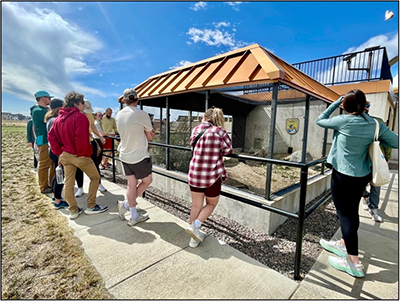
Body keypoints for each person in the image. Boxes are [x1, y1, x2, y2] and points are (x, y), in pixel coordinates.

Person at [316, 89, 398, 278]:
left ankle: (353, 262)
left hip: (342, 175)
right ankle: (344, 243)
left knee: (345, 215)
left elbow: (320, 120)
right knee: (352, 212)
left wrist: (337, 102)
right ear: (363, 105)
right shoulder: (374, 124)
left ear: (346, 105)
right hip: (362, 176)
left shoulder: (343, 121)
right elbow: (395, 142)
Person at [48, 91, 108, 220]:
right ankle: (91, 205)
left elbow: (51, 137)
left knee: (68, 183)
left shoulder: (58, 119)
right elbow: (81, 138)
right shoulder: (80, 117)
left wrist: (59, 152)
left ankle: (73, 210)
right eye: (82, 103)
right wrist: (84, 154)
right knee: (95, 177)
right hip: (79, 155)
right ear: (76, 104)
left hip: (65, 155)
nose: (83, 106)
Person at [185, 107, 233, 248]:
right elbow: (228, 150)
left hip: (195, 173)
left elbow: (191, 144)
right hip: (211, 175)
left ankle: (193, 238)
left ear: (205, 118)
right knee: (211, 204)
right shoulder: (220, 132)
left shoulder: (196, 130)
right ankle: (195, 226)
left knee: (196, 205)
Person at [116, 88, 155, 226]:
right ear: (137, 100)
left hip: (124, 154)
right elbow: (150, 136)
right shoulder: (142, 114)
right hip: (139, 156)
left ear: (125, 101)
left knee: (131, 185)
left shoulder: (119, 115)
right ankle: (127, 205)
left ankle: (132, 213)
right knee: (147, 181)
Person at [360, 102, 391, 223]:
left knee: (376, 184)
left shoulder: (378, 122)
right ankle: (365, 197)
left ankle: (373, 208)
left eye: (367, 107)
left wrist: (386, 158)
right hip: (361, 159)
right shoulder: (354, 121)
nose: (365, 109)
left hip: (376, 158)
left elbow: (387, 141)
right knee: (360, 183)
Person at [44, 98, 69, 210]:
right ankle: (58, 201)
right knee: (60, 177)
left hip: (53, 151)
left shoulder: (50, 119)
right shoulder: (55, 120)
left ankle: (55, 197)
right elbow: (57, 138)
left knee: (56, 174)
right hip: (58, 152)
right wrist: (60, 154)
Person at [31, 90, 55, 193]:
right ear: (43, 98)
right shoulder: (39, 111)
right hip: (44, 141)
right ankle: (43, 186)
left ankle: (51, 183)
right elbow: (52, 117)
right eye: (49, 98)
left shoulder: (40, 109)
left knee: (51, 163)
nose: (50, 100)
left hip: (45, 140)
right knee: (45, 164)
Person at [83, 100, 107, 192]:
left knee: (95, 163)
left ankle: (99, 183)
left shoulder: (89, 116)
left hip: (91, 141)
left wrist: (100, 136)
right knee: (79, 167)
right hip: (80, 143)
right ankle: (80, 187)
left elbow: (92, 127)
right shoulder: (76, 115)